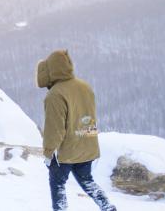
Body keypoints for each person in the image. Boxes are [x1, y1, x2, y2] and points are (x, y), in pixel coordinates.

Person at [37, 49, 117, 211]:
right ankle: (107, 207)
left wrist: (48, 152)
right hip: (87, 146)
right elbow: (88, 117)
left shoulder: (55, 94)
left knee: (57, 184)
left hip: (65, 153)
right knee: (87, 180)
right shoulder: (84, 86)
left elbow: (54, 129)